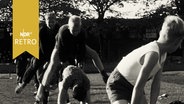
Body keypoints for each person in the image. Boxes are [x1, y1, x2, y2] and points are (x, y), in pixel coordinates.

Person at [106, 15, 184, 104]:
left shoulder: (163, 54)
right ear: (177, 41)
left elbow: (156, 84)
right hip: (118, 83)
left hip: (133, 85)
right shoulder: (153, 54)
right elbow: (139, 87)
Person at [35, 15, 108, 102]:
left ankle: (104, 75)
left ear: (80, 28)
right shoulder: (63, 31)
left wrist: (79, 60)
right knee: (52, 65)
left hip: (75, 45)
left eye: (77, 30)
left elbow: (81, 48)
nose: (75, 32)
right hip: (60, 47)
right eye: (73, 30)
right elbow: (62, 53)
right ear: (69, 27)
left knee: (94, 54)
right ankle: (42, 88)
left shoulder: (82, 33)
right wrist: (66, 65)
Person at [15, 12, 60, 97]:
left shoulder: (59, 29)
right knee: (34, 65)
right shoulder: (42, 30)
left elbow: (60, 44)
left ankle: (56, 84)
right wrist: (47, 60)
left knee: (60, 64)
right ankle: (23, 84)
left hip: (55, 50)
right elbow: (43, 48)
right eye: (49, 21)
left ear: (56, 21)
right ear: (45, 21)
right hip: (42, 52)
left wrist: (52, 59)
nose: (51, 24)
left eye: (53, 21)